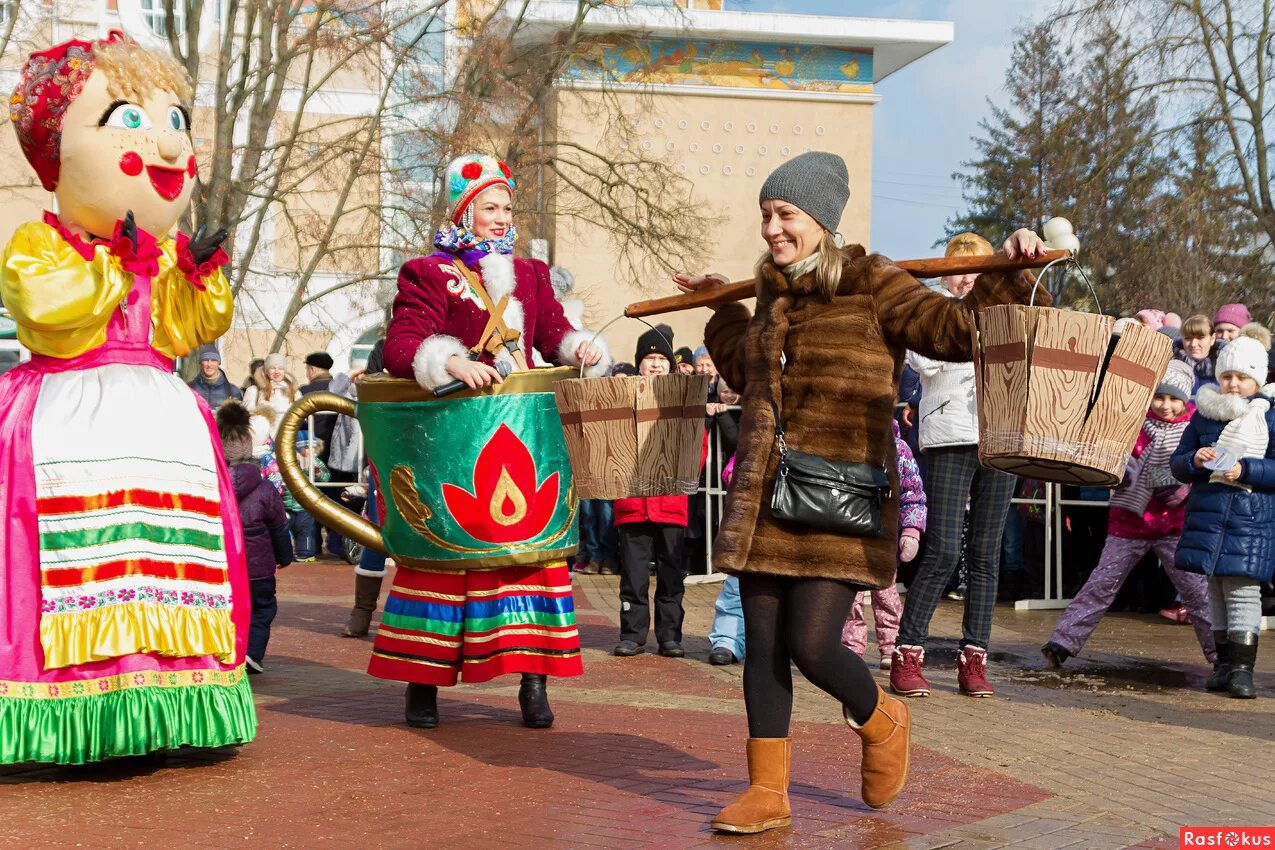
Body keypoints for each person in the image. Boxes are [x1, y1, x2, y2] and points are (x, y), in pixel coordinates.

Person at [676, 150, 1047, 833]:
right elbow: (741, 370)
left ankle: (882, 719)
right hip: (766, 496)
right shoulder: (771, 288)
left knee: (813, 645)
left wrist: (1012, 274)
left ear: (819, 219)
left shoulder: (872, 281)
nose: (771, 229)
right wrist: (723, 306)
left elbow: (956, 332)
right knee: (762, 641)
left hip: (839, 497)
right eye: (764, 215)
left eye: (784, 214)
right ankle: (767, 791)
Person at [0, 31, 255, 763]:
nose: (172, 148)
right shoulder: (41, 242)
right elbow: (51, 310)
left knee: (165, 560)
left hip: (158, 411)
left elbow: (183, 328)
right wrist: (118, 263)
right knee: (87, 556)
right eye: (132, 121)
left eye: (175, 122)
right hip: (65, 417)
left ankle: (170, 705)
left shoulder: (163, 253)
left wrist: (196, 275)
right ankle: (80, 713)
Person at [375, 152, 610, 729]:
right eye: (489, 208)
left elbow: (551, 331)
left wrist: (578, 347)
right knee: (444, 562)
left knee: (535, 561)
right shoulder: (428, 273)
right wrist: (450, 361)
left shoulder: (530, 274)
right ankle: (422, 684)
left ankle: (535, 683)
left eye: (507, 207)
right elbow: (401, 345)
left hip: (528, 438)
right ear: (464, 211)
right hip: (459, 443)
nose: (502, 218)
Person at [890, 233, 1020, 700]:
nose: (966, 279)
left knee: (985, 554)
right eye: (958, 270)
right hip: (948, 437)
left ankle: (974, 657)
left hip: (1001, 436)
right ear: (944, 274)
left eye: (976, 271)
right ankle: (908, 650)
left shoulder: (1002, 312)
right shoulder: (933, 309)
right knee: (943, 548)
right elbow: (926, 359)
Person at [1041, 361, 1216, 668]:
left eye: (1174, 398)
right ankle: (1063, 642)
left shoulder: (1193, 431)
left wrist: (1180, 482)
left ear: (1186, 399)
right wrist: (1122, 473)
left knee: (1197, 593)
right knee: (1102, 583)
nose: (1165, 405)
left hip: (1175, 525)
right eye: (1159, 397)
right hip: (1128, 522)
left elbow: (1197, 470)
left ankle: (1220, 656)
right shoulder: (1133, 427)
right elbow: (1111, 462)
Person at [1172, 330, 1274, 699]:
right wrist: (1194, 460)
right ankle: (1223, 666)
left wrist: (1246, 470)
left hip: (1250, 520)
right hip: (1209, 515)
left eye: (1241, 377)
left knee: (1243, 593)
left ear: (1256, 380)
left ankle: (1243, 670)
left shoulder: (1270, 417)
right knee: (1213, 589)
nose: (1232, 384)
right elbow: (1178, 464)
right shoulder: (1203, 415)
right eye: (1227, 376)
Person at [613, 326, 704, 658]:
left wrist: (681, 468)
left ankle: (669, 635)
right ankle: (632, 633)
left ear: (671, 364)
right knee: (633, 575)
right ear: (639, 364)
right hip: (632, 502)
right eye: (649, 358)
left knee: (671, 573)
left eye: (660, 359)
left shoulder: (683, 399)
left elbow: (699, 446)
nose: (654, 365)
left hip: (670, 502)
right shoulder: (622, 400)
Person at [842, 420, 927, 670]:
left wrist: (911, 529)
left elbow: (913, 494)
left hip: (885, 536)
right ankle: (851, 647)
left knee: (887, 595)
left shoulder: (899, 449)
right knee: (849, 598)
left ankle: (890, 644)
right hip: (852, 533)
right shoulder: (849, 445)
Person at [218, 402, 293, 674]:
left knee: (227, 608)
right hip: (259, 567)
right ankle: (253, 652)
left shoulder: (212, 487)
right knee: (262, 609)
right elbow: (279, 526)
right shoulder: (264, 488)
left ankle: (229, 650)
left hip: (223, 566)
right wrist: (285, 556)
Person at [283, 433, 329, 563]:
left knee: (305, 528)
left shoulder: (316, 462)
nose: (310, 451)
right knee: (284, 528)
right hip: (287, 501)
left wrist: (318, 473)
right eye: (306, 448)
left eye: (312, 448)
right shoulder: (290, 460)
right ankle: (284, 553)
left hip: (306, 503)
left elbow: (326, 478)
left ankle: (305, 552)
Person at [242, 353, 299, 424]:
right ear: (266, 370)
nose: (276, 372)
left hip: (289, 433)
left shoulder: (294, 391)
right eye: (272, 368)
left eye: (280, 368)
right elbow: (247, 418)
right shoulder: (254, 391)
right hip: (265, 433)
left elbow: (302, 415)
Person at [1175, 314, 1219, 392]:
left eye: (1200, 338)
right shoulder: (1172, 368)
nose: (1193, 344)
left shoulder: (1224, 369)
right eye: (1188, 338)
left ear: (1212, 339)